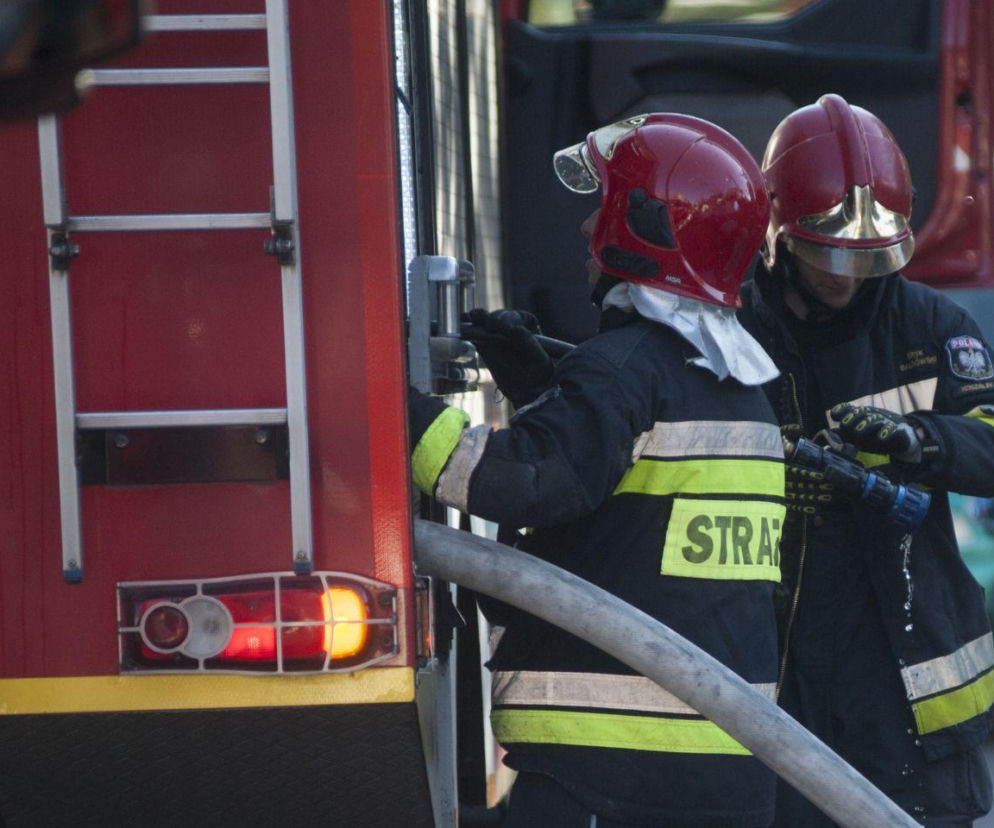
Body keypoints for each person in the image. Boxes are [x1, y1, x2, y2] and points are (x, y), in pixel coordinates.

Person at [408, 113, 785, 827]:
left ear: (642, 227)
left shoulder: (625, 374)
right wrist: (543, 388)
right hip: (722, 769)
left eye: (601, 208)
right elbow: (628, 518)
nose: (586, 231)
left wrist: (391, 406)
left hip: (608, 771)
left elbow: (519, 479)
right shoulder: (740, 391)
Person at [737, 93, 994, 826]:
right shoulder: (733, 331)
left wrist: (921, 441)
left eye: (865, 255)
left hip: (912, 682)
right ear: (779, 234)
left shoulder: (929, 326)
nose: (844, 277)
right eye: (825, 254)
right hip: (782, 664)